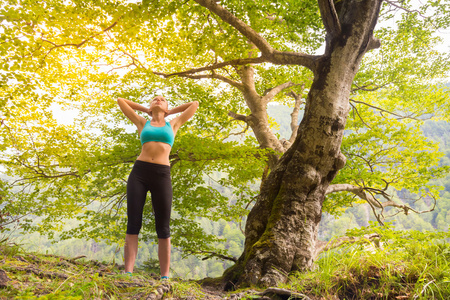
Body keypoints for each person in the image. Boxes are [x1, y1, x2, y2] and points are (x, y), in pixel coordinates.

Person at [117, 95, 199, 280]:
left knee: (163, 227)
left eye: (162, 99)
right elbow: (121, 101)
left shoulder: (174, 124)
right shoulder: (142, 122)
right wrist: (146, 109)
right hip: (139, 173)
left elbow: (194, 104)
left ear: (167, 107)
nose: (158, 99)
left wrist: (170, 111)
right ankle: (128, 273)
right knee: (133, 223)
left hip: (162, 174)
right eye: (155, 99)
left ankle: (165, 277)